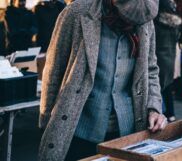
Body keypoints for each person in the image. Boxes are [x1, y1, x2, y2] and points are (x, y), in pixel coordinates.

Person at [38, 0, 167, 160]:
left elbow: (150, 69)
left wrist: (154, 108)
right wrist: (46, 120)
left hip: (127, 132)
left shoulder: (144, 21)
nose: (133, 26)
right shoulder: (77, 12)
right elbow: (54, 68)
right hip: (78, 129)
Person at [155, 0, 181, 122]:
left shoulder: (156, 23)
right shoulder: (174, 24)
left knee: (157, 88)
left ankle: (161, 113)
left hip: (158, 58)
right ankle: (170, 113)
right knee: (167, 87)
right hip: (170, 58)